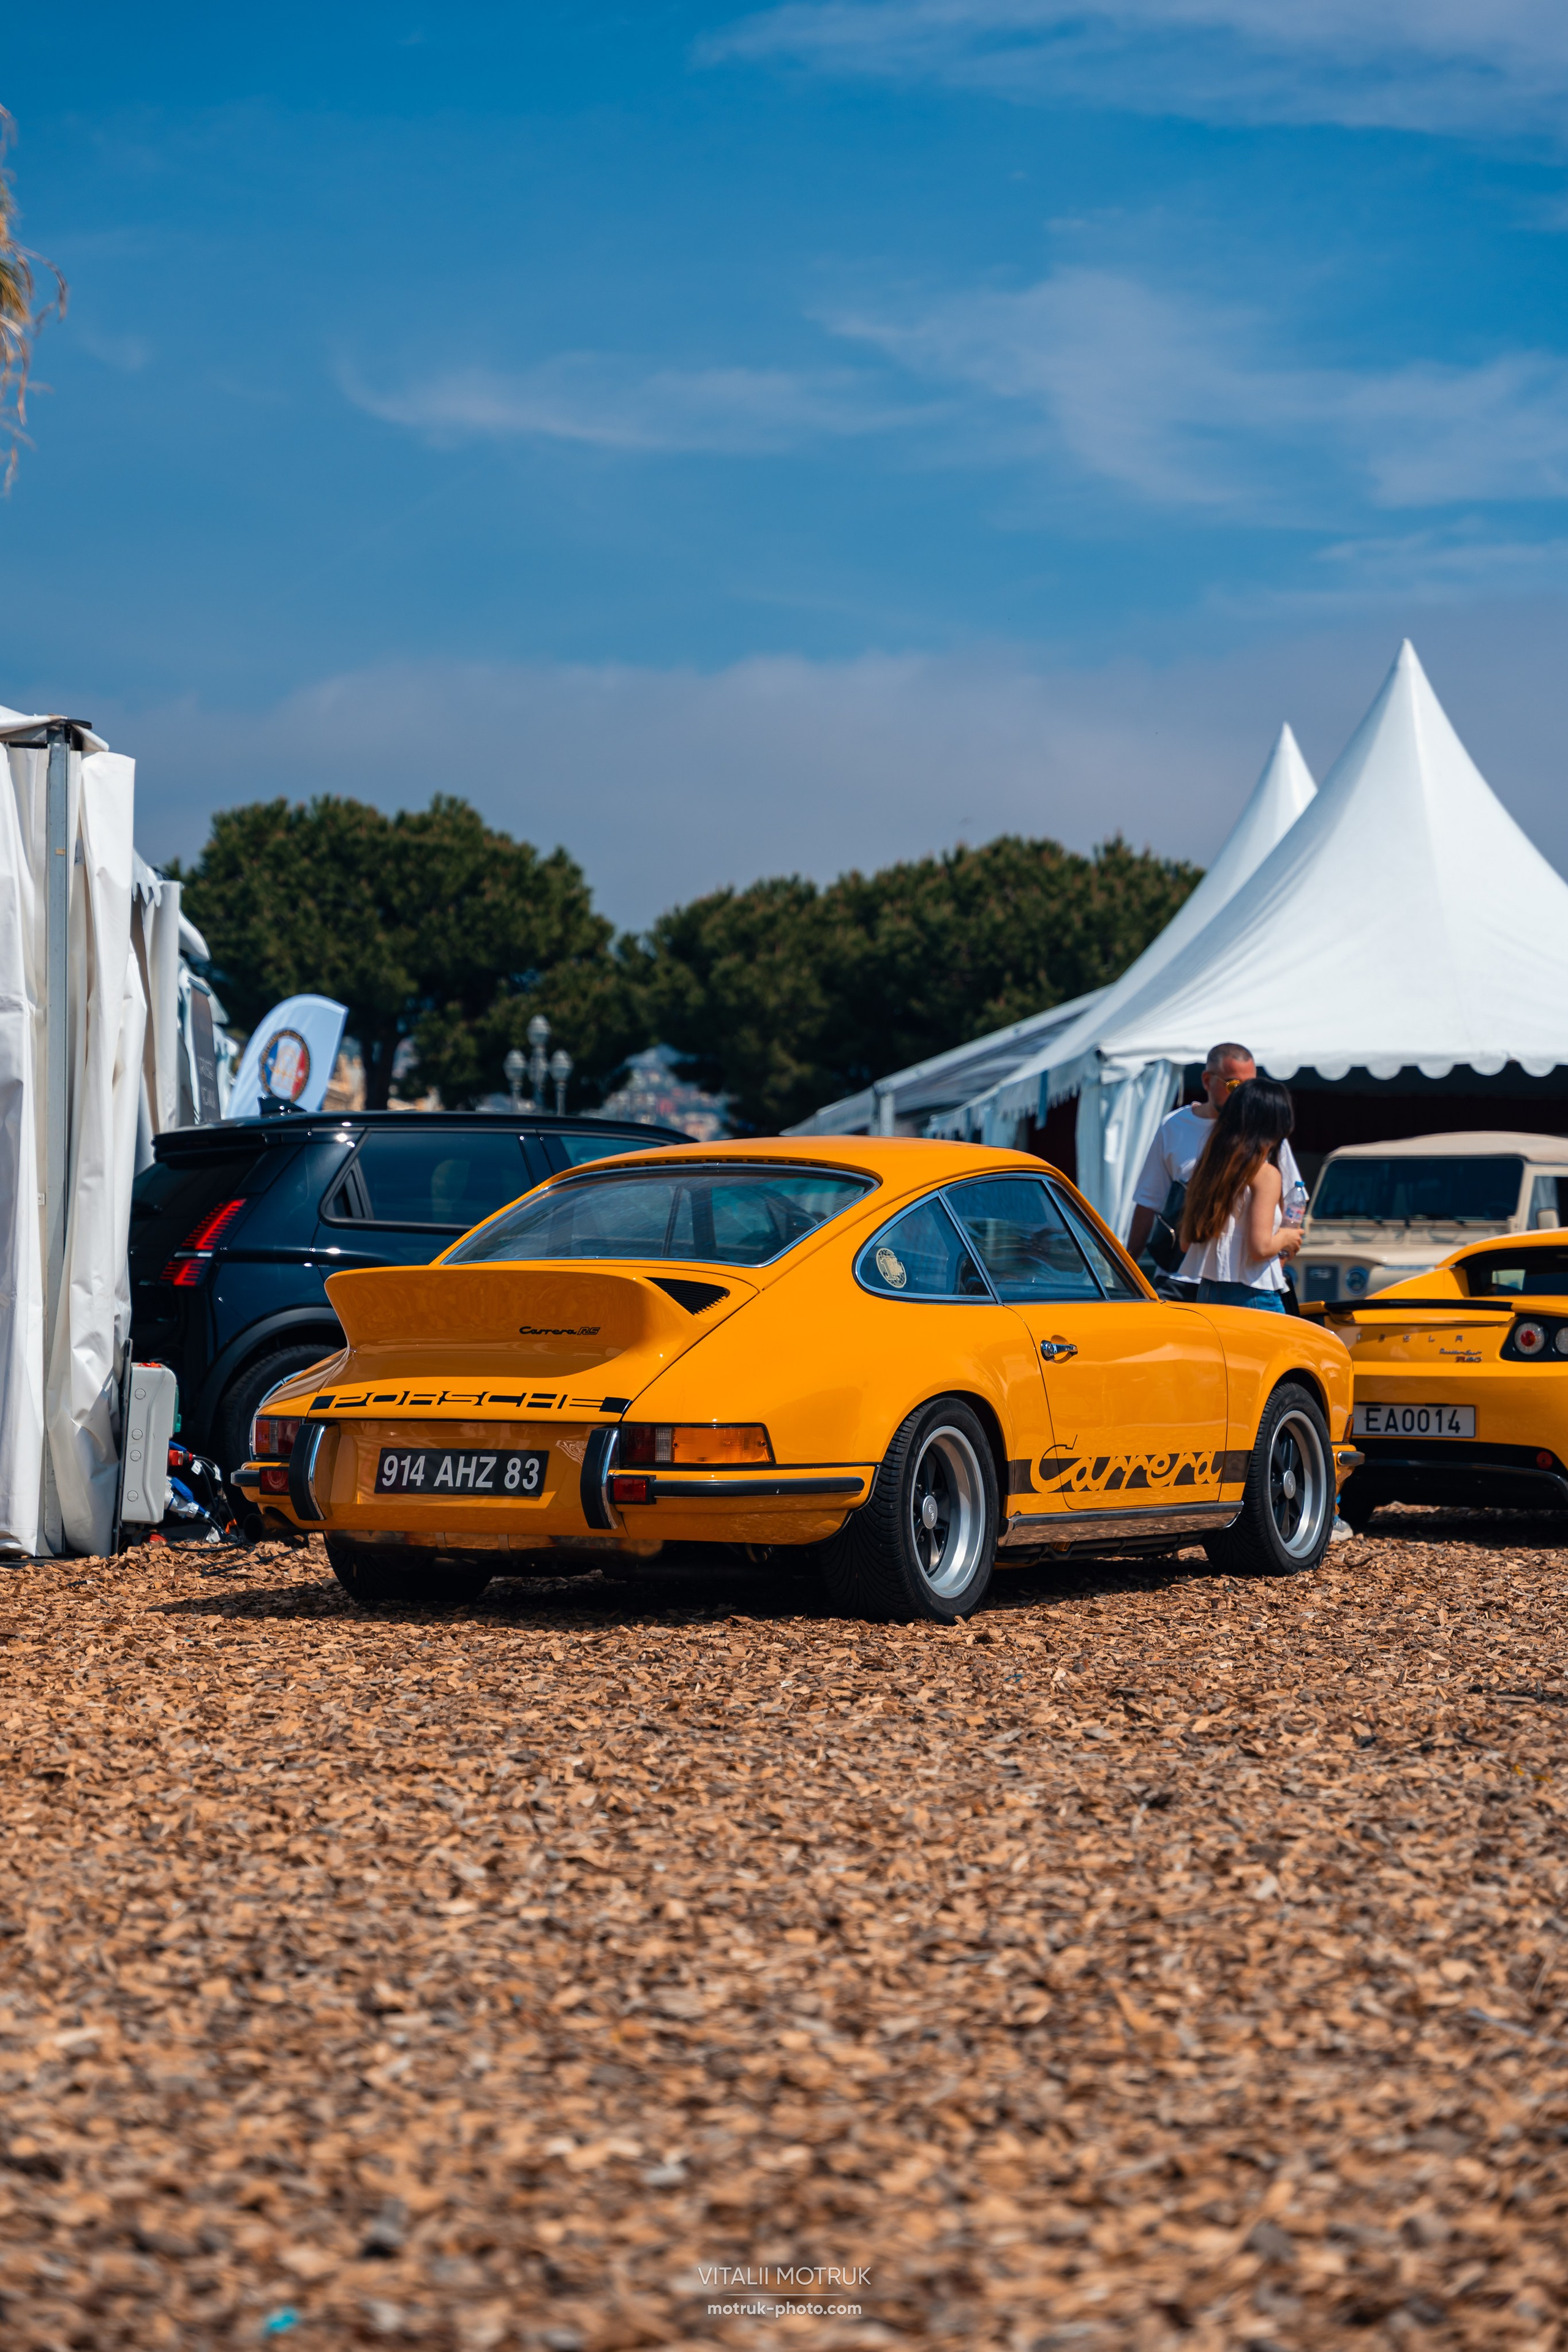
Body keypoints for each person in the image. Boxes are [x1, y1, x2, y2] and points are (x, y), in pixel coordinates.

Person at [1126, 1041, 1305, 1294]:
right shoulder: (1175, 1126)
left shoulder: (1264, 1131)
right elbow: (1148, 1201)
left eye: (1250, 1087)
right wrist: (1127, 1269)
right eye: (1234, 1085)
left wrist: (1277, 1260)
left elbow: (1294, 1199)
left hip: (1241, 1285)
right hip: (1180, 1277)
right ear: (1208, 1080)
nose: (1243, 1096)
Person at [1179, 1076, 1302, 1310]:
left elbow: (1187, 1243)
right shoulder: (1265, 1173)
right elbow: (1261, 1249)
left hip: (1207, 1293)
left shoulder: (1208, 1167)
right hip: (1254, 1294)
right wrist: (1287, 1238)